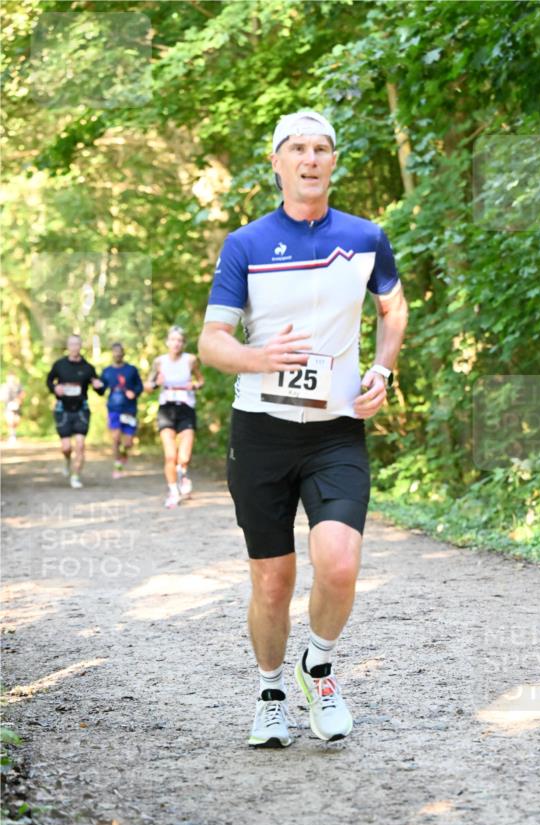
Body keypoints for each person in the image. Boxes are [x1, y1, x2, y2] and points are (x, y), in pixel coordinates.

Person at [199, 109, 408, 747]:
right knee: (273, 578)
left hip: (335, 430)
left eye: (322, 149)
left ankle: (317, 664)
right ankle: (269, 694)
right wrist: (258, 358)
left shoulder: (366, 236)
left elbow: (392, 308)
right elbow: (212, 342)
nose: (311, 158)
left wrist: (381, 368)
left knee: (339, 563)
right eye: (298, 149)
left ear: (334, 161)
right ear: (277, 162)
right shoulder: (247, 244)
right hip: (260, 429)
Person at [145, 325, 204, 508]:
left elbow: (201, 380)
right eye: (173, 340)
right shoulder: (159, 362)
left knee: (184, 457)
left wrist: (194, 386)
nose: (176, 343)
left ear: (183, 343)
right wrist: (156, 383)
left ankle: (182, 474)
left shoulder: (191, 360)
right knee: (170, 455)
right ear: (167, 342)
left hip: (186, 408)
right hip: (166, 409)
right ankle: (173, 491)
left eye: (179, 340)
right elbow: (147, 387)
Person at [46, 335, 105, 488]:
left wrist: (100, 386)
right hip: (62, 409)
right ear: (67, 346)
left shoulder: (88, 368)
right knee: (66, 447)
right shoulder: (59, 365)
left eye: (77, 344)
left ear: (80, 346)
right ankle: (67, 460)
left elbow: (100, 389)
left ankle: (76, 476)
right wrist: (54, 388)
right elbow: (49, 381)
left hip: (81, 410)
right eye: (71, 344)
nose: (74, 347)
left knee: (80, 445)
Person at [100, 342, 143, 478]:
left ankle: (124, 455)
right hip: (114, 408)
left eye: (120, 351)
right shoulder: (107, 371)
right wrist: (95, 385)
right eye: (115, 352)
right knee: (116, 438)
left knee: (128, 442)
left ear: (123, 353)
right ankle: (117, 465)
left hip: (129, 409)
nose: (117, 354)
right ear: (112, 353)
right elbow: (101, 389)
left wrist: (134, 393)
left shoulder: (131, 370)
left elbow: (140, 386)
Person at [1, 373, 26, 445]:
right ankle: (12, 436)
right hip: (8, 406)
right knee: (10, 421)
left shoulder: (18, 386)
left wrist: (19, 400)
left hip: (17, 406)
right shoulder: (4, 386)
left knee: (16, 421)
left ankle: (13, 434)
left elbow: (23, 393)